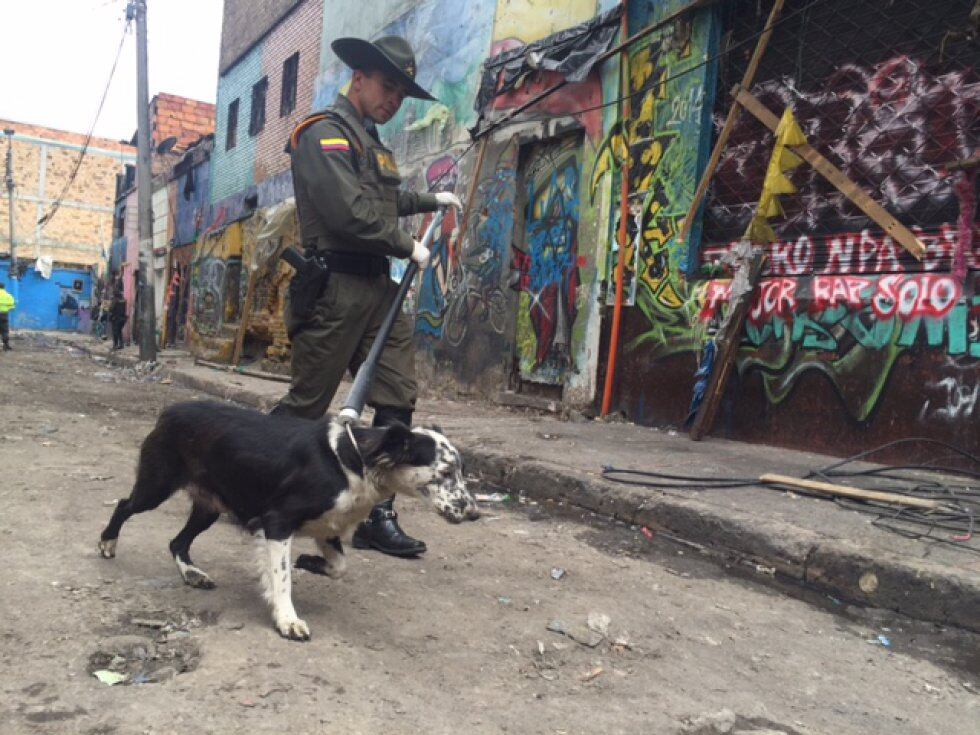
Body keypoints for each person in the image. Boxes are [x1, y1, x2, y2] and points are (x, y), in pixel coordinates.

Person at [272, 35, 461, 558]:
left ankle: (377, 513)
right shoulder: (323, 135)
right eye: (387, 86)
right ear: (358, 77)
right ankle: (259, 482)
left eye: (401, 92)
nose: (394, 99)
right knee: (308, 405)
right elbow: (347, 212)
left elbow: (384, 199)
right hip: (335, 287)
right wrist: (408, 246)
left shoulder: (371, 142)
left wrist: (430, 199)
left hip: (379, 287)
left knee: (397, 400)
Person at [109, 283, 127, 350]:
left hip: (116, 318)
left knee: (115, 332)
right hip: (123, 318)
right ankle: (121, 344)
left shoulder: (115, 300)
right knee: (119, 331)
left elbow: (111, 309)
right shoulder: (124, 300)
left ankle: (115, 345)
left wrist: (109, 306)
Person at [0, 281, 15, 351]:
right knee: (4, 330)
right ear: (4, 287)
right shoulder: (8, 295)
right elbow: (12, 306)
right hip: (4, 314)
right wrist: (6, 309)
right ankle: (6, 346)